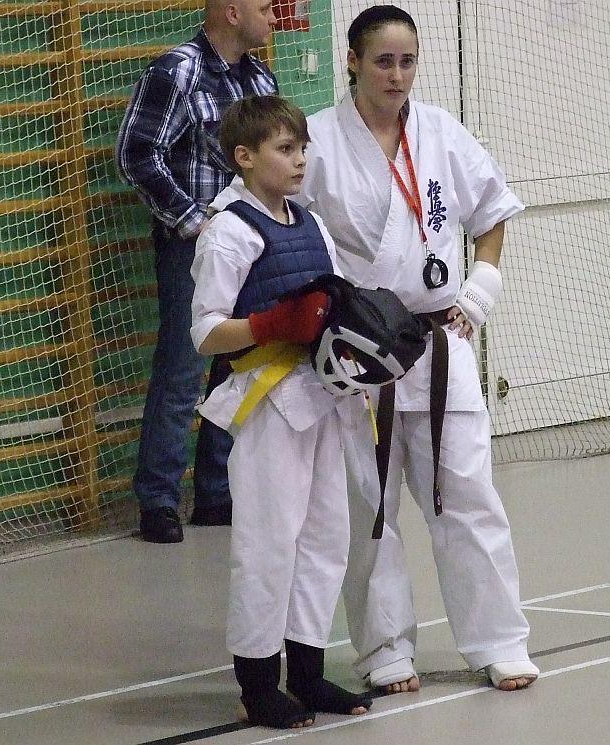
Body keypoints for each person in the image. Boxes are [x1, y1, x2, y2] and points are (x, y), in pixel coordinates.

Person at [297, 5, 540, 693]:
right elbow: (265, 213)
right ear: (352, 61)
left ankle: (499, 640)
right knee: (368, 505)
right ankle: (384, 650)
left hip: (437, 343)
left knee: (468, 493)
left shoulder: (439, 132)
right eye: (383, 61)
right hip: (356, 353)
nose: (396, 75)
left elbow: (492, 212)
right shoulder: (317, 141)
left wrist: (481, 288)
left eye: (407, 61)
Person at [189, 94, 373, 728]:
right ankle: (258, 682)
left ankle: (309, 673)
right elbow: (205, 332)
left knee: (325, 538)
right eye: (285, 149)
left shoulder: (310, 223)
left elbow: (331, 301)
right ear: (245, 157)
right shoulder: (228, 231)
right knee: (268, 543)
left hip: (322, 394)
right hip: (266, 399)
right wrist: (271, 324)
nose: (300, 160)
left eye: (302, 148)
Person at [115, 0, 279, 542]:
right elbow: (137, 154)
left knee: (236, 366)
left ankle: (217, 492)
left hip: (248, 246)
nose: (275, 16)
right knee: (182, 371)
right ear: (232, 12)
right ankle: (159, 500)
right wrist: (194, 222)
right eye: (265, 7)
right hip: (192, 247)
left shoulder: (260, 78)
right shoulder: (177, 70)